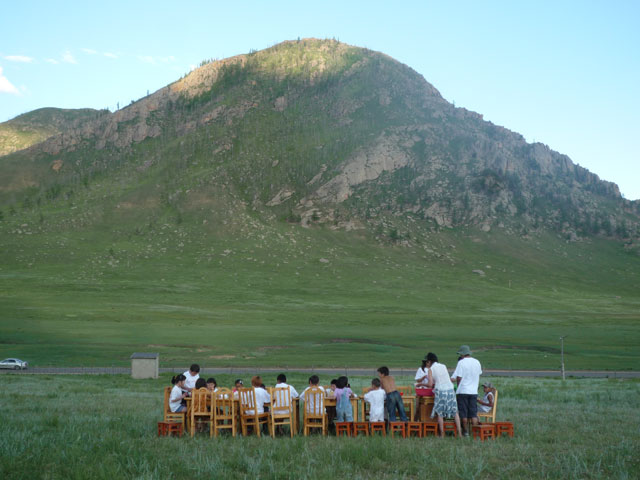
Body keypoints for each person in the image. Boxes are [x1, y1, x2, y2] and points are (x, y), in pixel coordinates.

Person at [425, 352, 462, 437]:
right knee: (455, 411)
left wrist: (421, 385)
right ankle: (459, 433)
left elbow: (430, 384)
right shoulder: (443, 366)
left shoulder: (431, 369)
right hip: (450, 390)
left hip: (441, 391)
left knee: (440, 413)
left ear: (430, 361)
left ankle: (442, 434)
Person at [451, 345, 482, 435]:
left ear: (462, 354)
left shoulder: (461, 363)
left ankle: (465, 432)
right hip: (473, 391)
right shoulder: (477, 362)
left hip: (463, 391)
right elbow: (478, 374)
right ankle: (475, 432)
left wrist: (458, 386)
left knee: (463, 413)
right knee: (473, 413)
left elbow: (458, 377)